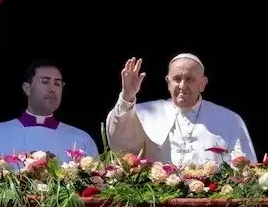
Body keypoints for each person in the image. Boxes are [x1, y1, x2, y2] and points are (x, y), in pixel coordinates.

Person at [106, 54, 257, 166]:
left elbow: (244, 168)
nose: (182, 86)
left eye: (190, 79)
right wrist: (127, 96)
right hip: (158, 198)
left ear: (202, 84)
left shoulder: (229, 119)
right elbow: (121, 143)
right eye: (177, 79)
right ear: (168, 82)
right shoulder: (143, 113)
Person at [0, 60, 98, 164]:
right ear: (27, 88)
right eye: (45, 82)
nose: (52, 89)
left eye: (57, 84)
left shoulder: (82, 140)